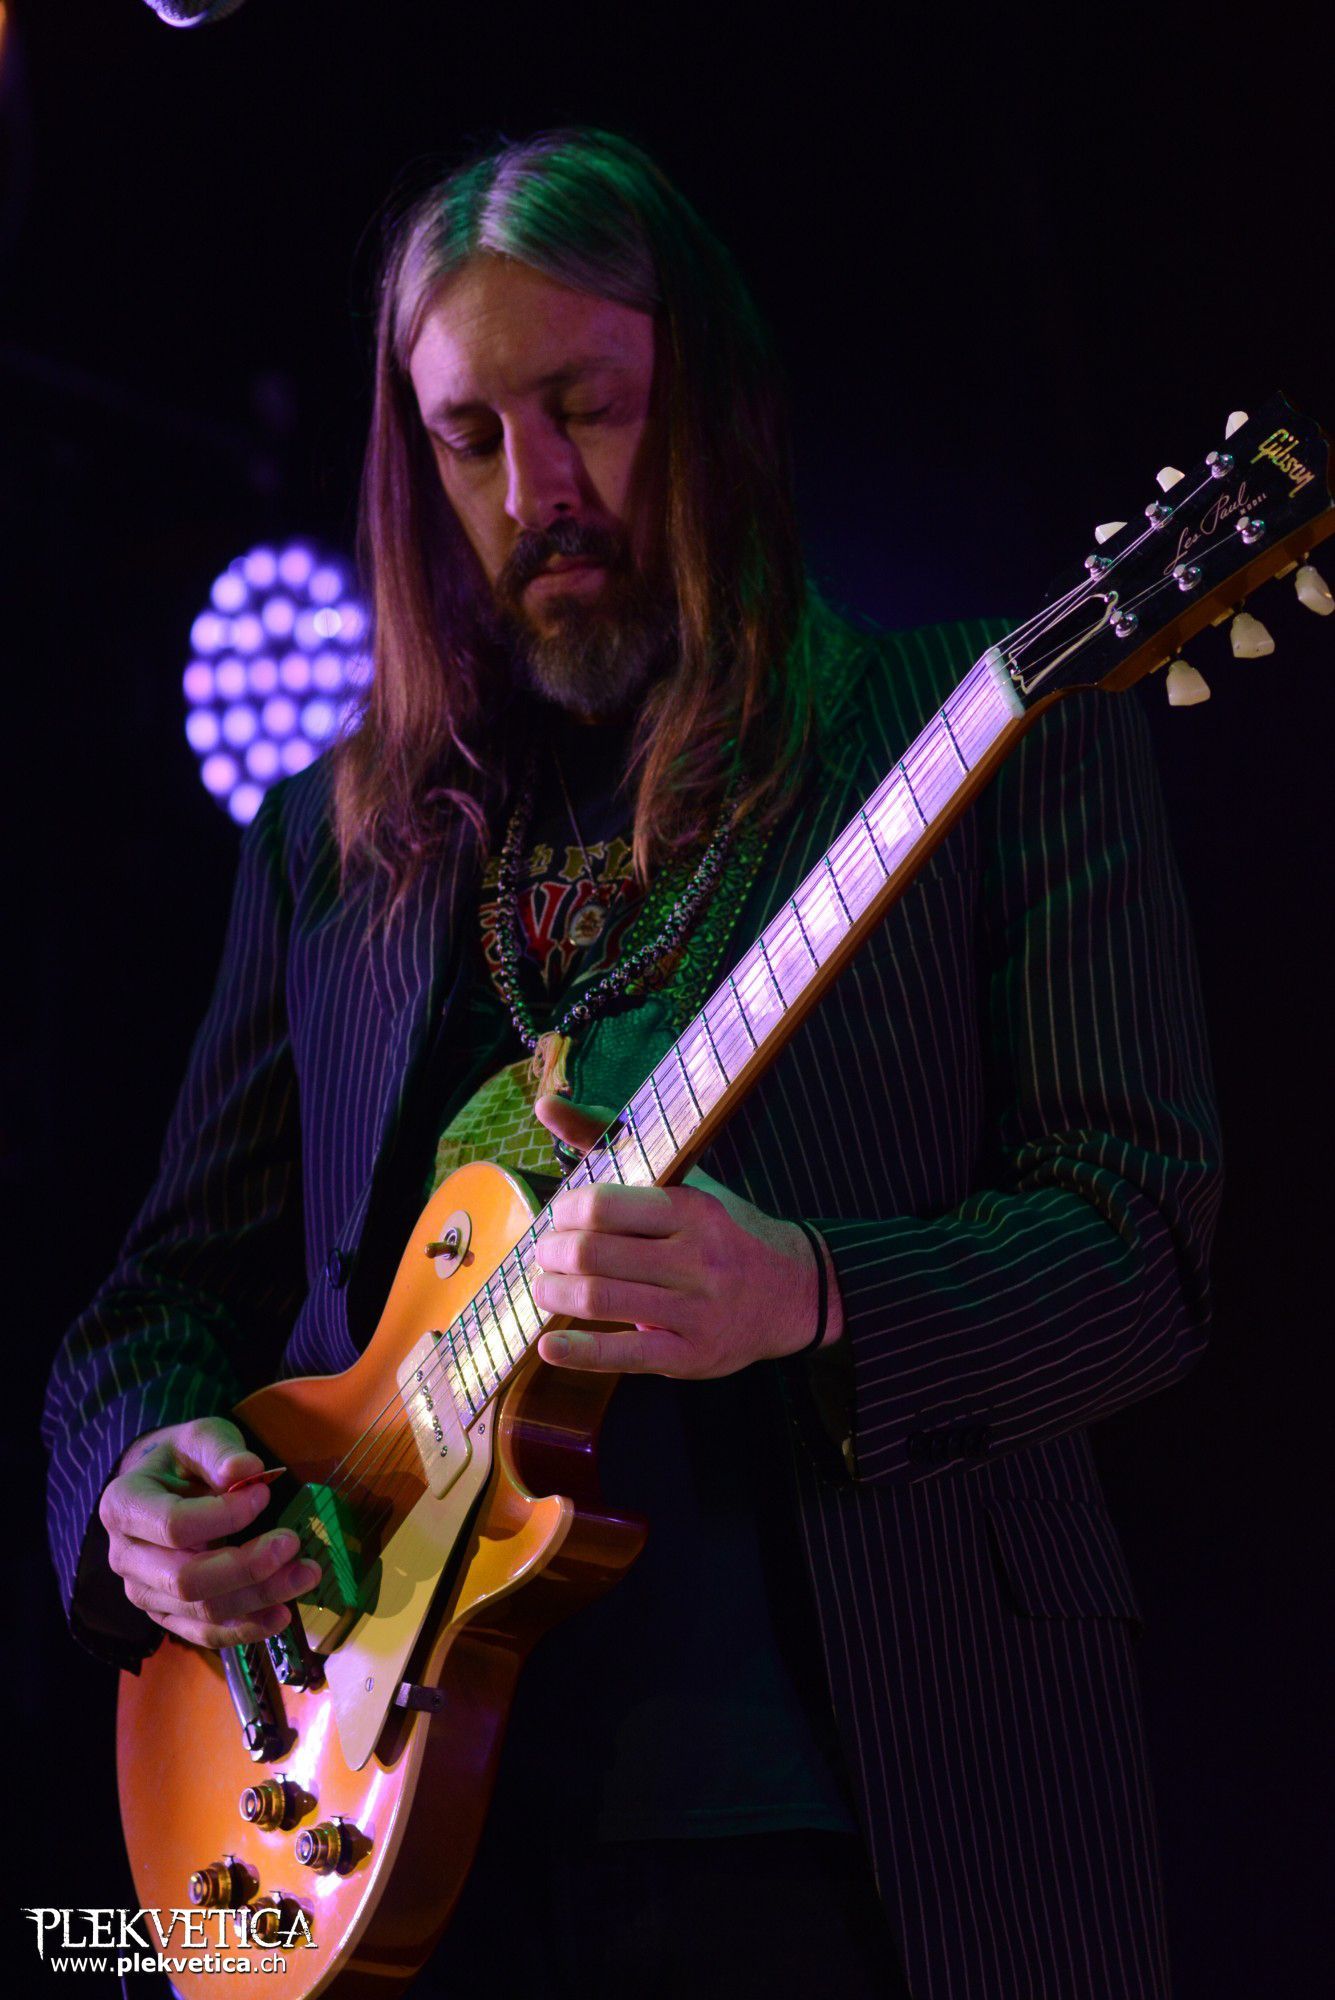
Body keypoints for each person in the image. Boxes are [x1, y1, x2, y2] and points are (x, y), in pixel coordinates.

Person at [43, 128, 1221, 1999]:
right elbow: (159, 1297)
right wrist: (135, 1483)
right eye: (468, 438)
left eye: (587, 408)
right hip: (402, 1833)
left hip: (872, 1820)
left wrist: (810, 1293)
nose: (537, 491)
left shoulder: (992, 732)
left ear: (712, 397)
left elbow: (1143, 1248)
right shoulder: (331, 850)